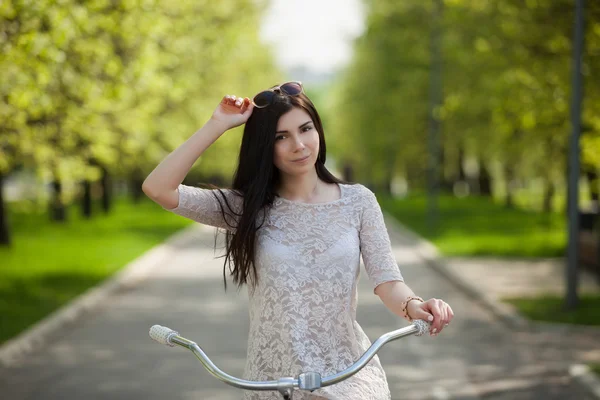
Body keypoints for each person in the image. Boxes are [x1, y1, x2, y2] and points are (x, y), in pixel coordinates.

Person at [142, 82, 454, 399]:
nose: (299, 145)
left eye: (305, 129)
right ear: (265, 146)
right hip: (272, 384)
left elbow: (387, 281)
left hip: (348, 377)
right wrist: (218, 124)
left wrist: (415, 306)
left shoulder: (359, 202)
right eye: (281, 137)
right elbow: (159, 188)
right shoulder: (245, 207)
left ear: (317, 129)